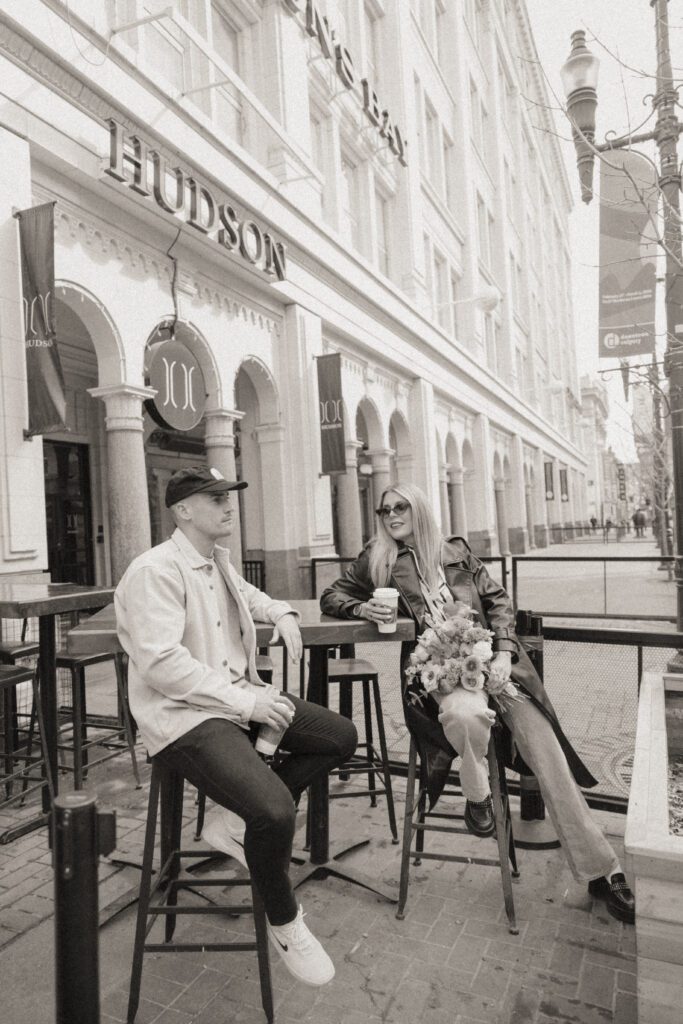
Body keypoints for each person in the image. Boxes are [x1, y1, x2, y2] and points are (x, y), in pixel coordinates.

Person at [320, 483, 635, 924]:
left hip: (495, 666)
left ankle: (603, 870)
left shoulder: (455, 551)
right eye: (384, 509)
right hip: (438, 675)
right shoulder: (378, 560)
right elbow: (331, 595)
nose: (390, 515)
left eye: (400, 507)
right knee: (464, 714)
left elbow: (499, 602)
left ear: (420, 507)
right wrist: (363, 611)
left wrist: (505, 652)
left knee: (548, 756)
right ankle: (478, 796)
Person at [115, 466, 357, 986]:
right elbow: (162, 665)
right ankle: (285, 920)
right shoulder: (154, 570)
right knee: (273, 810)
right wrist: (247, 704)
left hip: (231, 702)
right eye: (216, 497)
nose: (229, 505)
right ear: (183, 510)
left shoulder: (215, 560)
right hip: (183, 719)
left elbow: (250, 597)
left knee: (339, 737)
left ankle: (233, 820)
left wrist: (284, 613)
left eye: (230, 496)